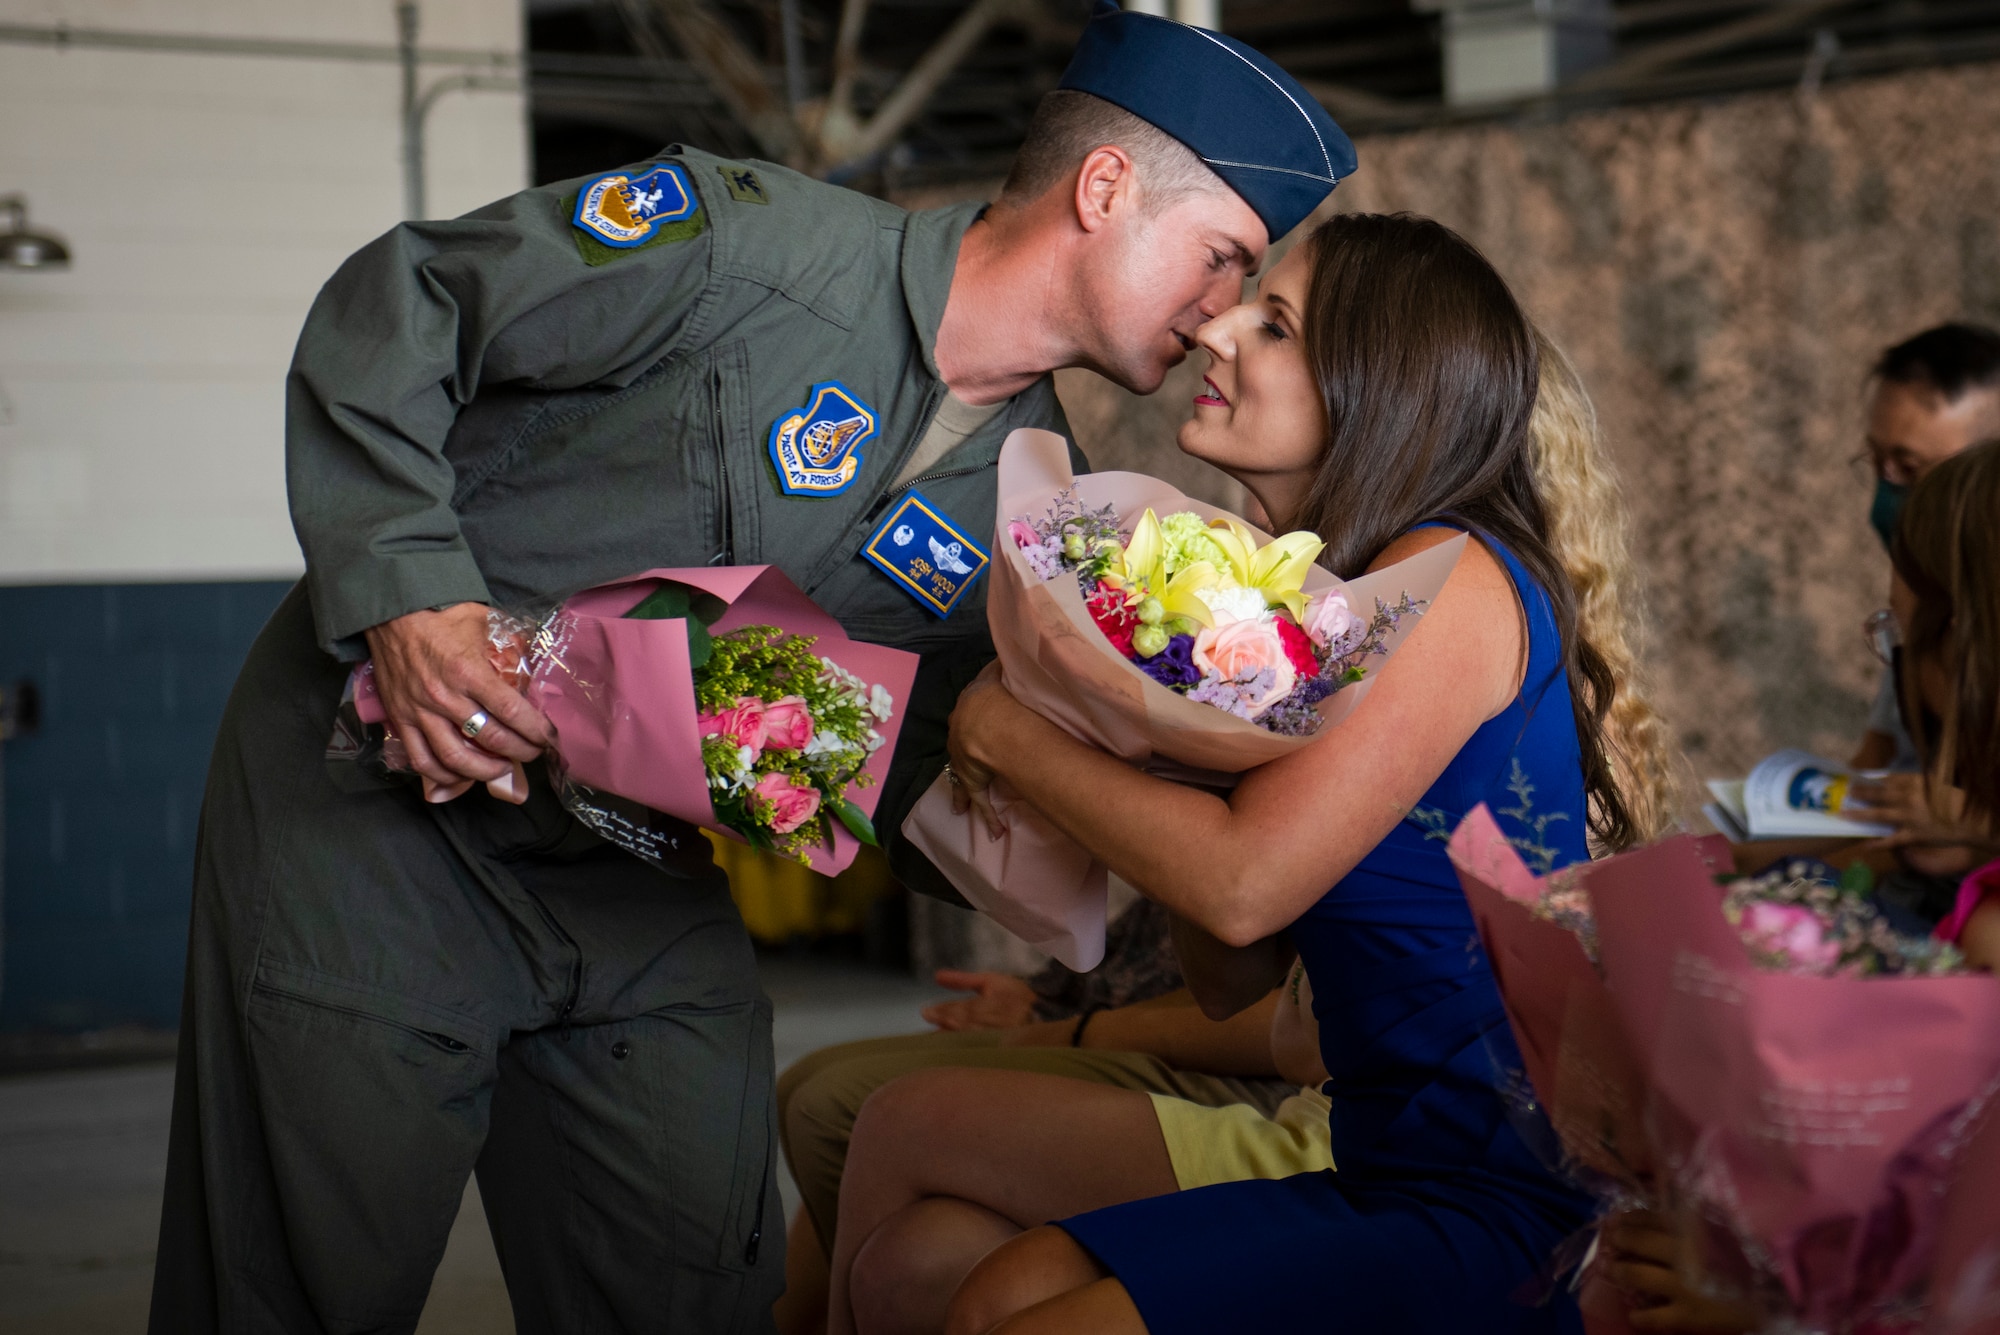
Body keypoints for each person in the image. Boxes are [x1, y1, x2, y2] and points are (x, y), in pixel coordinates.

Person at [146, 3, 1359, 1326]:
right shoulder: (744, 244)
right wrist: (417, 601)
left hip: (635, 873)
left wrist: (1161, 754)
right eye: (1225, 258)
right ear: (1107, 185)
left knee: (689, 1271)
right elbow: (407, 300)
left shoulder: (1039, 511)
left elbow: (895, 760)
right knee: (296, 1279)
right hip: (380, 823)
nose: (1224, 314)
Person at [812, 324, 1681, 1335]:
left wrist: (1007, 734)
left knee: (909, 1155)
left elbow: (1239, 891)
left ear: (1379, 386)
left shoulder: (1451, 582)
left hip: (1482, 1181)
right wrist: (1182, 735)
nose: (1215, 331)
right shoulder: (1321, 634)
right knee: (982, 1283)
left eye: (1274, 327)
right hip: (1382, 1148)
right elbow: (1231, 980)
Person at [773, 897, 1296, 1335]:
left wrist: (1074, 1027)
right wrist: (1056, 994)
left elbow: (1266, 993)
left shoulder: (1334, 808)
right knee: (905, 1262)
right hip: (1201, 1028)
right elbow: (1209, 958)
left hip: (1308, 1112)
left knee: (858, 1109)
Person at [1845, 326, 2000, 898]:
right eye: (1878, 463)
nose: (1888, 496)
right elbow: (1871, 780)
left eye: (1912, 470)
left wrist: (1980, 826)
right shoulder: (1915, 610)